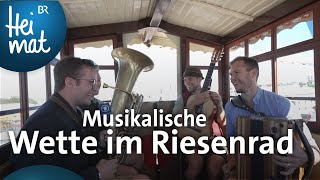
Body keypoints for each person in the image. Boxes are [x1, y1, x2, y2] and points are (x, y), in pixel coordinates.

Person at [12, 57, 117, 180]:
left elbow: (74, 160)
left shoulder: (72, 111)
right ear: (70, 82)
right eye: (91, 82)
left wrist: (99, 144)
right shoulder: (45, 122)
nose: (96, 88)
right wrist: (96, 174)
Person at [223, 56, 320, 178]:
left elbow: (314, 149)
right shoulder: (230, 107)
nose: (232, 78)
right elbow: (231, 140)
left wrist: (306, 157)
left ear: (253, 74)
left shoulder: (282, 105)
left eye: (236, 73)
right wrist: (233, 159)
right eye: (231, 74)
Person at [78, 72, 148, 179]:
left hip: (104, 148)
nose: (98, 84)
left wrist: (127, 117)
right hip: (97, 155)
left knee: (139, 156)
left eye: (99, 80)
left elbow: (110, 126)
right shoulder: (81, 107)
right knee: (133, 172)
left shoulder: (101, 105)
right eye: (92, 81)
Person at [172, 67, 226, 180]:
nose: (187, 82)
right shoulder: (182, 98)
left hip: (211, 138)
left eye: (190, 79)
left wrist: (220, 105)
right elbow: (176, 120)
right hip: (190, 137)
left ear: (200, 79)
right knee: (195, 163)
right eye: (185, 80)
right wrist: (190, 106)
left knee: (216, 164)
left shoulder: (212, 96)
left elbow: (223, 122)